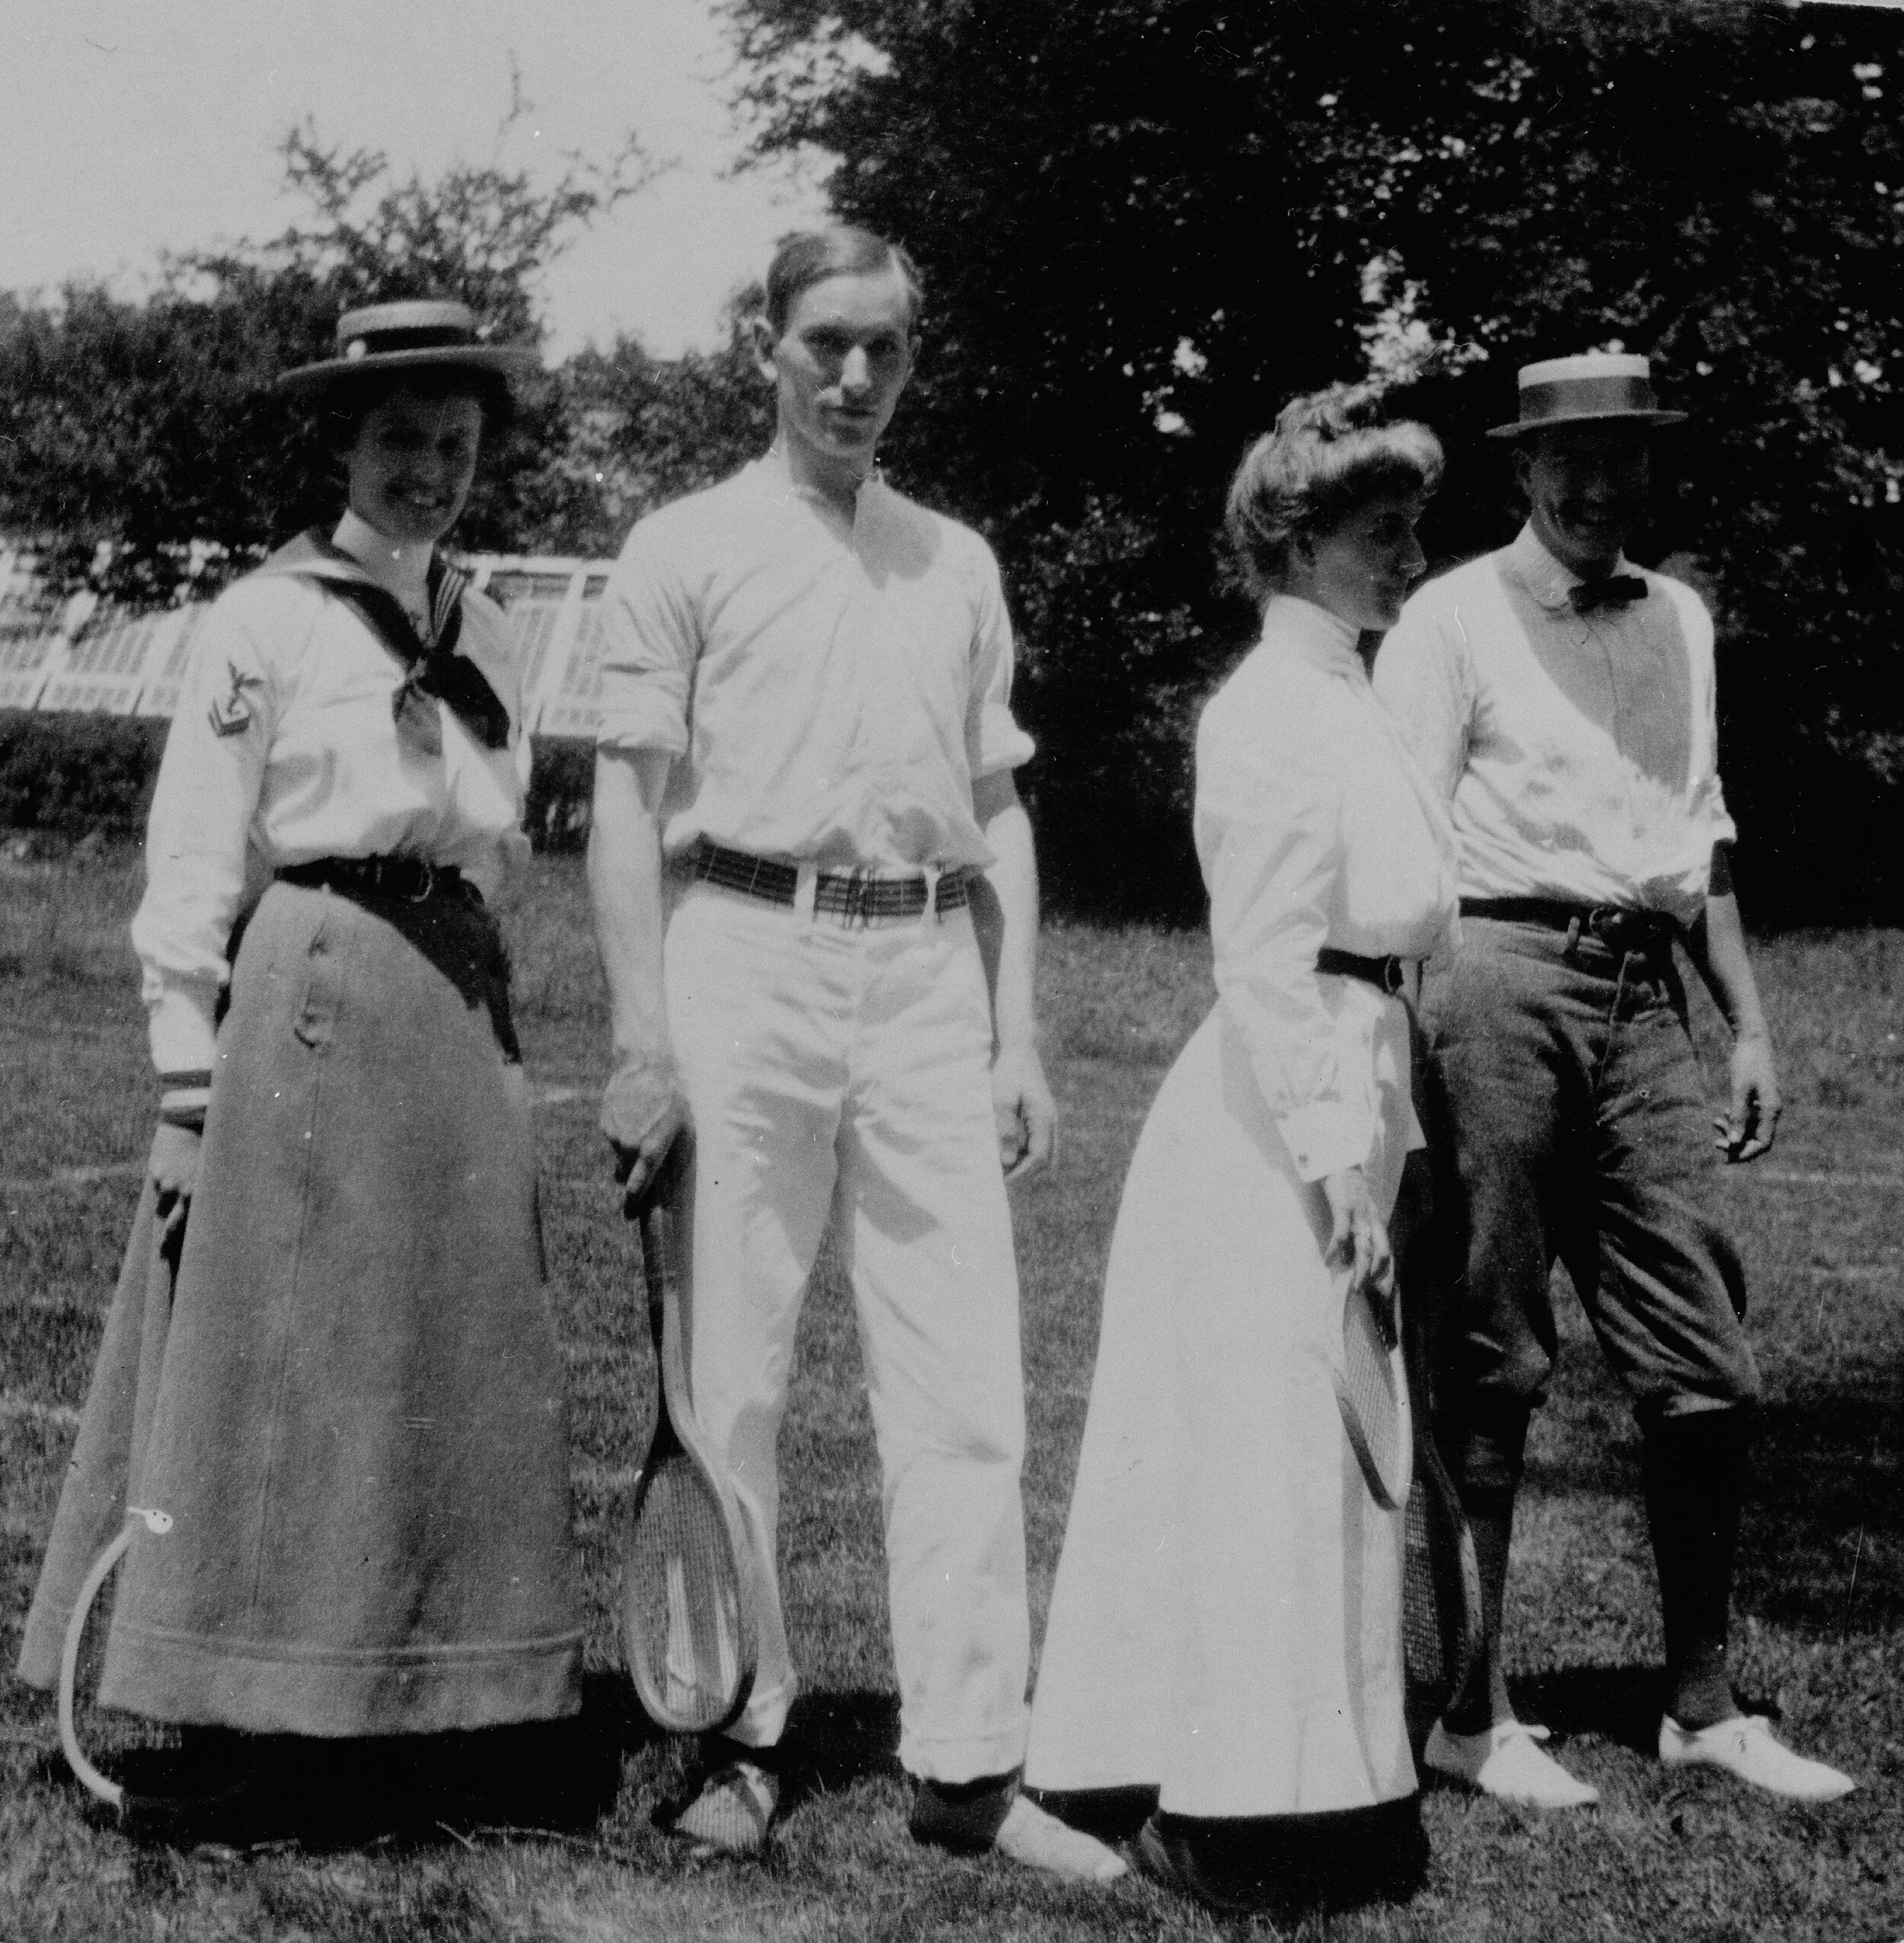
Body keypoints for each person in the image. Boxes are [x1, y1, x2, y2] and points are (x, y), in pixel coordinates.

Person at [586, 225, 1117, 1879]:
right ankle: (738, 1734)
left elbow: (996, 805)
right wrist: (637, 1035)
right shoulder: (679, 545)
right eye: (825, 340)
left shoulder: (952, 559)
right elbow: (622, 804)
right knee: (725, 1378)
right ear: (765, 341)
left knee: (963, 1388)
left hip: (920, 979)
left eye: (884, 346)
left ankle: (968, 1762)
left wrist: (1013, 1024)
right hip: (736, 955)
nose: (854, 376)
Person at [15, 301, 584, 1826]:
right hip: (312, 988)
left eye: (455, 444)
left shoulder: (498, 626)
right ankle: (246, 1701)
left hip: (447, 1003)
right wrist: (184, 1084)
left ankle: (434, 1700)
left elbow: (492, 829)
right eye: (398, 439)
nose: (428, 471)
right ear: (343, 442)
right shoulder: (266, 618)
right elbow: (199, 849)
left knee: (441, 1349)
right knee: (289, 1350)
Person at [1373, 351, 1854, 1808]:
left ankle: (1703, 1706)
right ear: (1523, 470)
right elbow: (1395, 847)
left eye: (1621, 461)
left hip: (1650, 992)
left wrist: (1750, 1026)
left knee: (1703, 1357)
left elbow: (1695, 837)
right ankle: (1473, 1711)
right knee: (1492, 1349)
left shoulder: (1684, 619)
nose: (1595, 488)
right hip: (1492, 978)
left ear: (1649, 469)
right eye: (1567, 462)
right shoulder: (1449, 616)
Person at [1022, 384, 1458, 1913]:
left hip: (1353, 1076)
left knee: (1321, 1447)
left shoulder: (1354, 697)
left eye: (1412, 527)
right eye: (1377, 531)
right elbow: (1263, 963)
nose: (1406, 556)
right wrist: (1336, 1166)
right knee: (1268, 1443)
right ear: (1293, 540)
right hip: (1274, 1117)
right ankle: (1223, 1804)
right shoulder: (1267, 709)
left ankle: (1316, 1780)